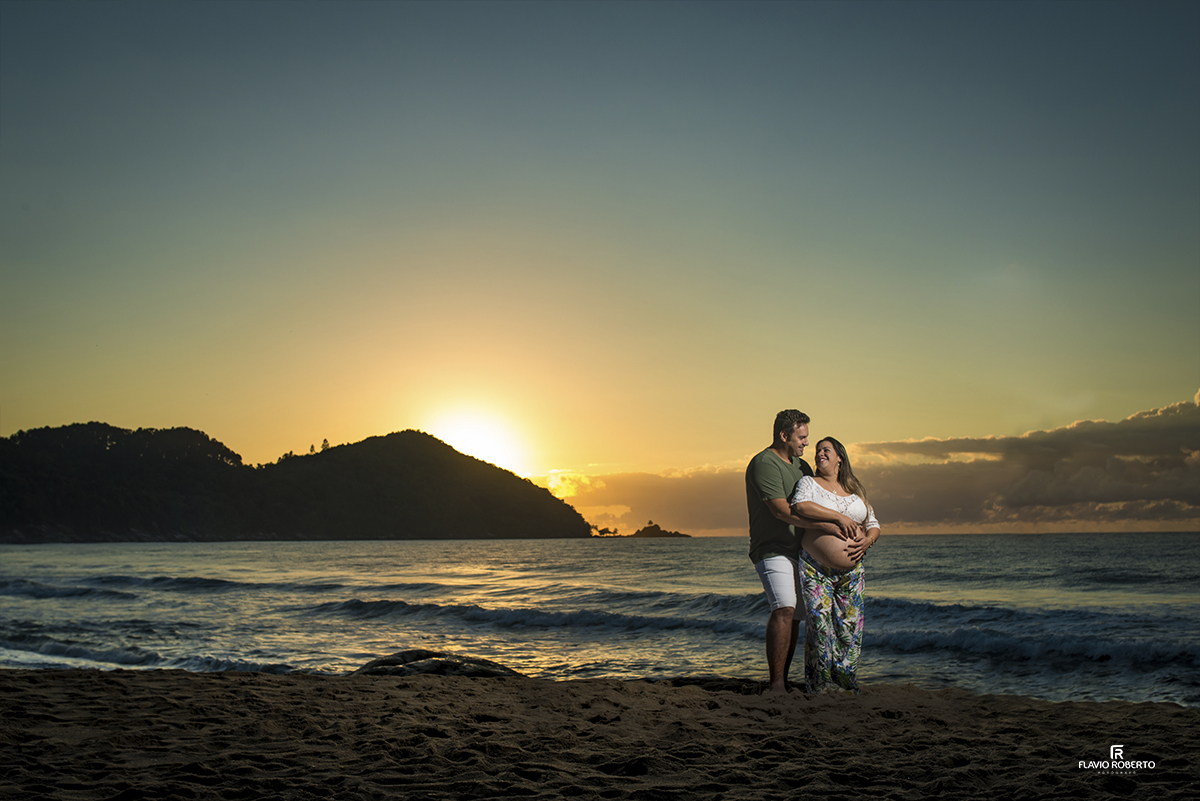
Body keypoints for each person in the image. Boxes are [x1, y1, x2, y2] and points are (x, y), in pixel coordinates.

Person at [745, 411, 858, 693]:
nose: (807, 443)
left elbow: (819, 498)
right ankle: (776, 686)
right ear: (784, 436)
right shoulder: (764, 463)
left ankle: (785, 679)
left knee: (795, 615)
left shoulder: (803, 466)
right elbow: (782, 511)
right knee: (784, 607)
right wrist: (829, 526)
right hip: (773, 549)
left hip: (800, 552)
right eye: (802, 437)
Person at [788, 436, 881, 693]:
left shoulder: (855, 490)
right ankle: (821, 684)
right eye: (817, 450)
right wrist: (838, 517)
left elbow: (873, 524)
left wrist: (868, 541)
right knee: (820, 626)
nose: (819, 453)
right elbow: (799, 505)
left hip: (852, 573)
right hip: (816, 568)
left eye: (826, 450)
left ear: (839, 457)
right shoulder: (809, 483)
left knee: (849, 630)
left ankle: (845, 681)